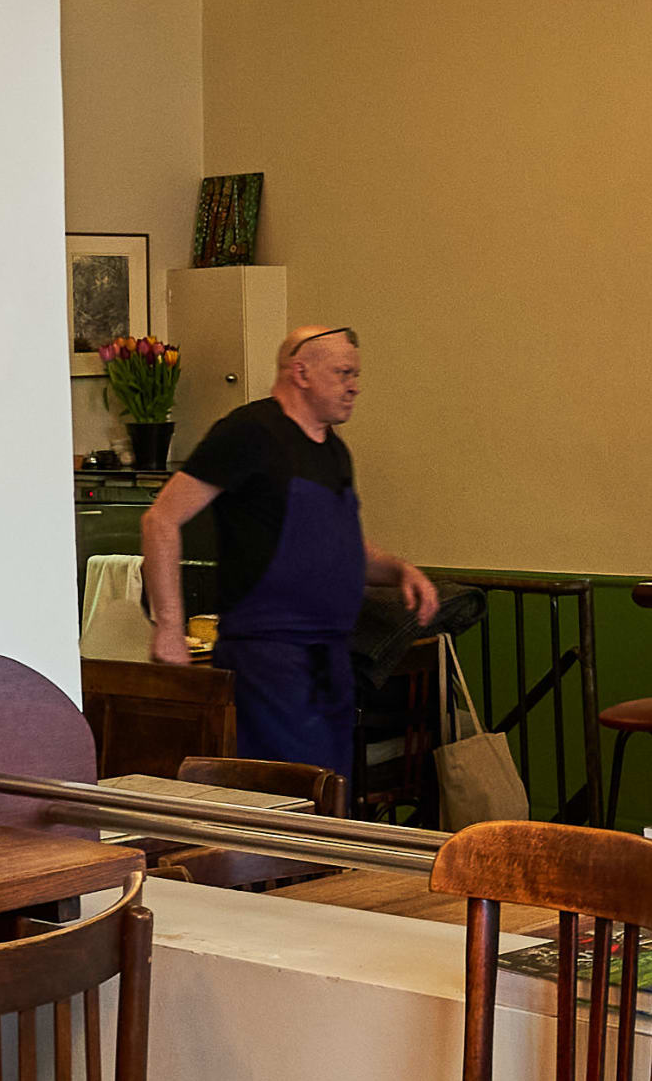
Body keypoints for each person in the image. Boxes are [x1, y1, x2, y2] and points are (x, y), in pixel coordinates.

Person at [143, 325, 439, 771]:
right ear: (301, 371)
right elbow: (160, 519)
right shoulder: (248, 433)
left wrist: (400, 571)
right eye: (343, 373)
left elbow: (342, 547)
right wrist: (168, 626)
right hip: (269, 664)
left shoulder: (333, 451)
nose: (355, 386)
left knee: (327, 804)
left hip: (330, 664)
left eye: (355, 374)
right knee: (282, 810)